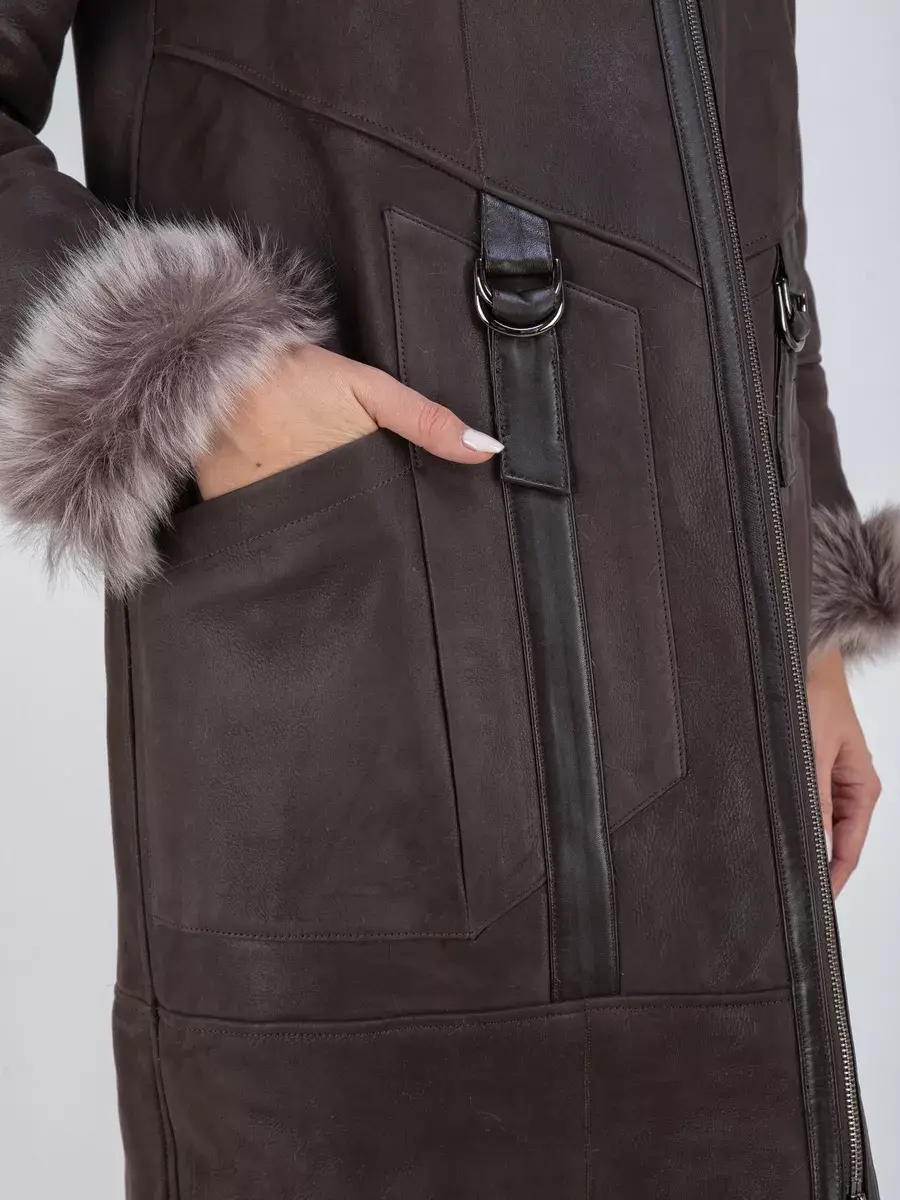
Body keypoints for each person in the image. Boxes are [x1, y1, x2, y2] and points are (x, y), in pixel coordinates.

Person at [0, 2, 894, 1196]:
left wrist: (803, 585)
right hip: (381, 727)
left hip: (725, 741)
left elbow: (730, 174)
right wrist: (197, 382)